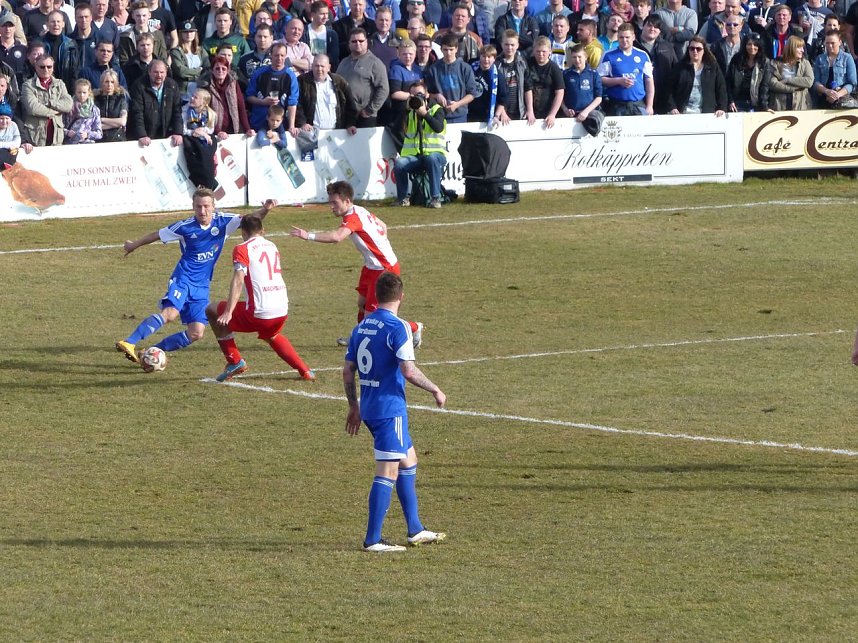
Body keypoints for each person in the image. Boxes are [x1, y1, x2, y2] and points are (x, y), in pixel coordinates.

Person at [342, 270, 445, 553]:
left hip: (370, 406)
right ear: (401, 296)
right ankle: (373, 539)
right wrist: (435, 389)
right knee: (387, 471)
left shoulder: (361, 326)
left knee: (408, 461)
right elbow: (408, 370)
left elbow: (348, 371)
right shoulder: (398, 327)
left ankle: (415, 529)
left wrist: (354, 406)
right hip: (390, 410)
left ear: (375, 295)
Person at [115, 188, 276, 363]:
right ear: (193, 206)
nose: (202, 211)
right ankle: (129, 342)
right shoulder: (185, 226)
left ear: (213, 206)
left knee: (196, 333)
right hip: (183, 280)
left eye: (206, 206)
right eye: (198, 206)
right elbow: (157, 234)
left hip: (202, 286)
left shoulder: (224, 222)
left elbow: (251, 220)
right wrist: (134, 245)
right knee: (170, 314)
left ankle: (151, 353)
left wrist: (266, 209)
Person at [289, 180, 424, 348]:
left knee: (376, 316)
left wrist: (307, 235)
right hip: (371, 266)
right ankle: (359, 335)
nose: (331, 206)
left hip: (384, 268)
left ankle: (414, 327)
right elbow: (383, 225)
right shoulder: (359, 210)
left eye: (335, 202)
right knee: (362, 304)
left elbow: (337, 237)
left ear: (346, 201)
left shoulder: (353, 218)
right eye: (330, 202)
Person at [206, 213, 316, 382]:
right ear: (262, 230)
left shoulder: (242, 248)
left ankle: (234, 361)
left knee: (212, 310)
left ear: (243, 231)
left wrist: (228, 311)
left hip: (260, 312)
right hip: (282, 309)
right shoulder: (272, 245)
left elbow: (238, 279)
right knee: (271, 335)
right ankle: (305, 370)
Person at [392, 79, 446, 208]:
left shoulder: (436, 109)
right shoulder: (409, 111)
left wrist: (425, 114)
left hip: (435, 155)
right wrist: (405, 111)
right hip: (415, 157)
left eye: (420, 95)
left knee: (431, 158)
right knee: (399, 163)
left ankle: (435, 198)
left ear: (427, 95)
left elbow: (438, 127)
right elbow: (396, 128)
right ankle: (403, 198)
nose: (417, 98)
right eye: (413, 96)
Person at [336, 27, 389, 127]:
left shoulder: (375, 63)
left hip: (365, 116)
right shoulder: (343, 62)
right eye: (354, 41)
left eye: (361, 41)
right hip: (344, 114)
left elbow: (384, 89)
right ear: (349, 44)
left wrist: (370, 110)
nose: (358, 43)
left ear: (366, 42)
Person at [598, 21, 654, 115]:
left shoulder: (643, 55)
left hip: (638, 105)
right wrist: (618, 81)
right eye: (621, 37)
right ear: (618, 38)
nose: (624, 40)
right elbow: (600, 79)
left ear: (633, 37)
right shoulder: (608, 55)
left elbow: (649, 81)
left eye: (627, 37)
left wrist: (649, 106)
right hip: (616, 105)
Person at [295, 53, 359, 130]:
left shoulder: (339, 82)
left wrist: (350, 124)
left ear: (329, 67)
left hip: (336, 132)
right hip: (310, 133)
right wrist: (302, 123)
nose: (319, 69)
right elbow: (296, 104)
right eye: (316, 66)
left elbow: (350, 105)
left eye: (322, 66)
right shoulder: (301, 81)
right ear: (312, 66)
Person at [667, 35, 728, 115]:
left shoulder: (713, 67)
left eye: (698, 49)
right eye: (692, 48)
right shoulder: (679, 67)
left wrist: (722, 108)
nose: (695, 51)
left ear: (704, 50)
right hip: (682, 112)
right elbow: (669, 89)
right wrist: (672, 107)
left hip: (706, 113)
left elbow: (721, 88)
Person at [424, 31, 477, 123]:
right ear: (441, 49)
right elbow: (427, 93)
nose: (448, 53)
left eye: (451, 49)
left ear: (456, 49)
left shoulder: (465, 68)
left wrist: (457, 104)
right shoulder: (433, 69)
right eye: (445, 50)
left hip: (460, 115)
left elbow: (472, 94)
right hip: (439, 115)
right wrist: (436, 96)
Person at [127, 58, 183, 145]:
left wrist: (178, 132)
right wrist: (142, 134)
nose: (159, 75)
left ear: (166, 72)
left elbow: (177, 111)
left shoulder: (172, 86)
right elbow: (137, 113)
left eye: (162, 72)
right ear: (149, 72)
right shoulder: (139, 86)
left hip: (165, 133)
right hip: (145, 135)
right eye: (156, 72)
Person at [21, 54, 72, 145]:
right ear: (36, 67)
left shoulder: (60, 84)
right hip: (36, 137)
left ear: (53, 67)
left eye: (49, 66)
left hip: (56, 137)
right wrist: (55, 112)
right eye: (42, 67)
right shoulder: (27, 85)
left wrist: (50, 103)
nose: (46, 69)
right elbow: (33, 108)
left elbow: (68, 105)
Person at [635, 14, 676, 114]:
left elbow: (675, 69)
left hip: (663, 96)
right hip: (640, 98)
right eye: (649, 25)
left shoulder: (667, 46)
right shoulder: (633, 46)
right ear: (643, 26)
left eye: (656, 27)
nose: (652, 29)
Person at [207, 53, 255, 138]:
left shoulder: (233, 84)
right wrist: (218, 131)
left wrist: (247, 129)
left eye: (224, 69)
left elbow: (241, 107)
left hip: (234, 129)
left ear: (228, 70)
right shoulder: (206, 86)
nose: (220, 71)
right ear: (212, 70)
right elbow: (206, 113)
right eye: (217, 68)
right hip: (214, 133)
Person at [561, 42, 602, 132]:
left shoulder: (593, 74)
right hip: (570, 117)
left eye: (580, 57)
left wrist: (586, 112)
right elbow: (560, 95)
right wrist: (565, 109)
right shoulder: (565, 74)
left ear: (585, 57)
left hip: (589, 116)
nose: (577, 60)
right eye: (574, 57)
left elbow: (599, 98)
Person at [524, 34, 564, 127]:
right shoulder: (528, 64)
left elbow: (560, 93)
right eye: (538, 51)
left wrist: (552, 114)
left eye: (544, 51)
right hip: (529, 111)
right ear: (533, 50)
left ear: (550, 51)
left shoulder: (554, 68)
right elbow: (527, 88)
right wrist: (530, 110)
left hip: (548, 111)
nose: (541, 54)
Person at [182, 87, 218, 189]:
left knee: (208, 153)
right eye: (192, 96)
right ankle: (202, 183)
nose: (192, 98)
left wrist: (202, 133)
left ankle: (209, 184)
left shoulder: (210, 114)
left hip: (205, 138)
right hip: (191, 138)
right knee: (196, 154)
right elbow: (184, 130)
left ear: (204, 102)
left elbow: (210, 129)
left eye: (196, 97)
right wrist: (194, 131)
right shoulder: (185, 111)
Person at [725, 32, 770, 112]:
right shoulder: (737, 59)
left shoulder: (764, 62)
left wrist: (764, 106)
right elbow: (729, 81)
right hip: (737, 103)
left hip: (755, 103)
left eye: (755, 45)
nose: (752, 47)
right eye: (749, 44)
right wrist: (730, 101)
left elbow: (764, 86)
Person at [811, 28, 856, 107]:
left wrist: (837, 95)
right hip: (823, 99)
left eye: (833, 43)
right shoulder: (820, 59)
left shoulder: (848, 58)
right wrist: (827, 91)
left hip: (842, 100)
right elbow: (816, 82)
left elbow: (852, 83)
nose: (830, 46)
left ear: (840, 42)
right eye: (827, 43)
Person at [768, 34, 814, 110]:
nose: (802, 50)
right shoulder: (775, 63)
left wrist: (787, 80)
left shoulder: (805, 63)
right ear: (791, 48)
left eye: (803, 47)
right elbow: (773, 84)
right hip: (779, 106)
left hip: (800, 106)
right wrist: (793, 89)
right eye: (799, 47)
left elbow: (809, 81)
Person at [117, 1, 168, 65]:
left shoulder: (158, 34)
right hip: (132, 71)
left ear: (149, 15)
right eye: (138, 16)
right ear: (133, 15)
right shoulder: (125, 36)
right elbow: (123, 60)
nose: (141, 19)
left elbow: (163, 57)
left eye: (144, 15)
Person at [469, 42, 509, 123]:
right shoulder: (470, 68)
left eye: (489, 57)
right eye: (483, 56)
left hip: (488, 115)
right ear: (479, 57)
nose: (486, 60)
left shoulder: (498, 76)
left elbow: (503, 99)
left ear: (494, 59)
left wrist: (497, 115)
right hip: (471, 113)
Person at [171, 20, 209, 103]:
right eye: (185, 32)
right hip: (182, 94)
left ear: (195, 33)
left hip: (199, 93)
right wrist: (199, 70)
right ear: (180, 34)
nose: (188, 34)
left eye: (191, 31)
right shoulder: (176, 51)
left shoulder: (201, 51)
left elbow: (207, 69)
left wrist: (192, 73)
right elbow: (181, 71)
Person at [303, 1, 340, 70]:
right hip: (308, 69)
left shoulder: (331, 34)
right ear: (313, 14)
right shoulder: (304, 32)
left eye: (327, 13)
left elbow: (334, 56)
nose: (325, 17)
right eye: (322, 14)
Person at [63, 77, 102, 142]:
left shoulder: (94, 110)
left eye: (84, 92)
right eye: (79, 92)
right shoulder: (68, 107)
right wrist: (67, 132)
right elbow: (59, 127)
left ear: (89, 92)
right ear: (75, 92)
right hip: (70, 144)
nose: (81, 95)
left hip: (87, 144)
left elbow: (99, 133)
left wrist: (87, 134)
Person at [94, 68, 128, 141]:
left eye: (112, 82)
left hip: (117, 139)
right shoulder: (95, 100)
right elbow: (92, 125)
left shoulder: (121, 99)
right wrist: (115, 124)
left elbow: (122, 121)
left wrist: (102, 119)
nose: (109, 85)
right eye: (106, 82)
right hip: (99, 140)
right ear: (102, 83)